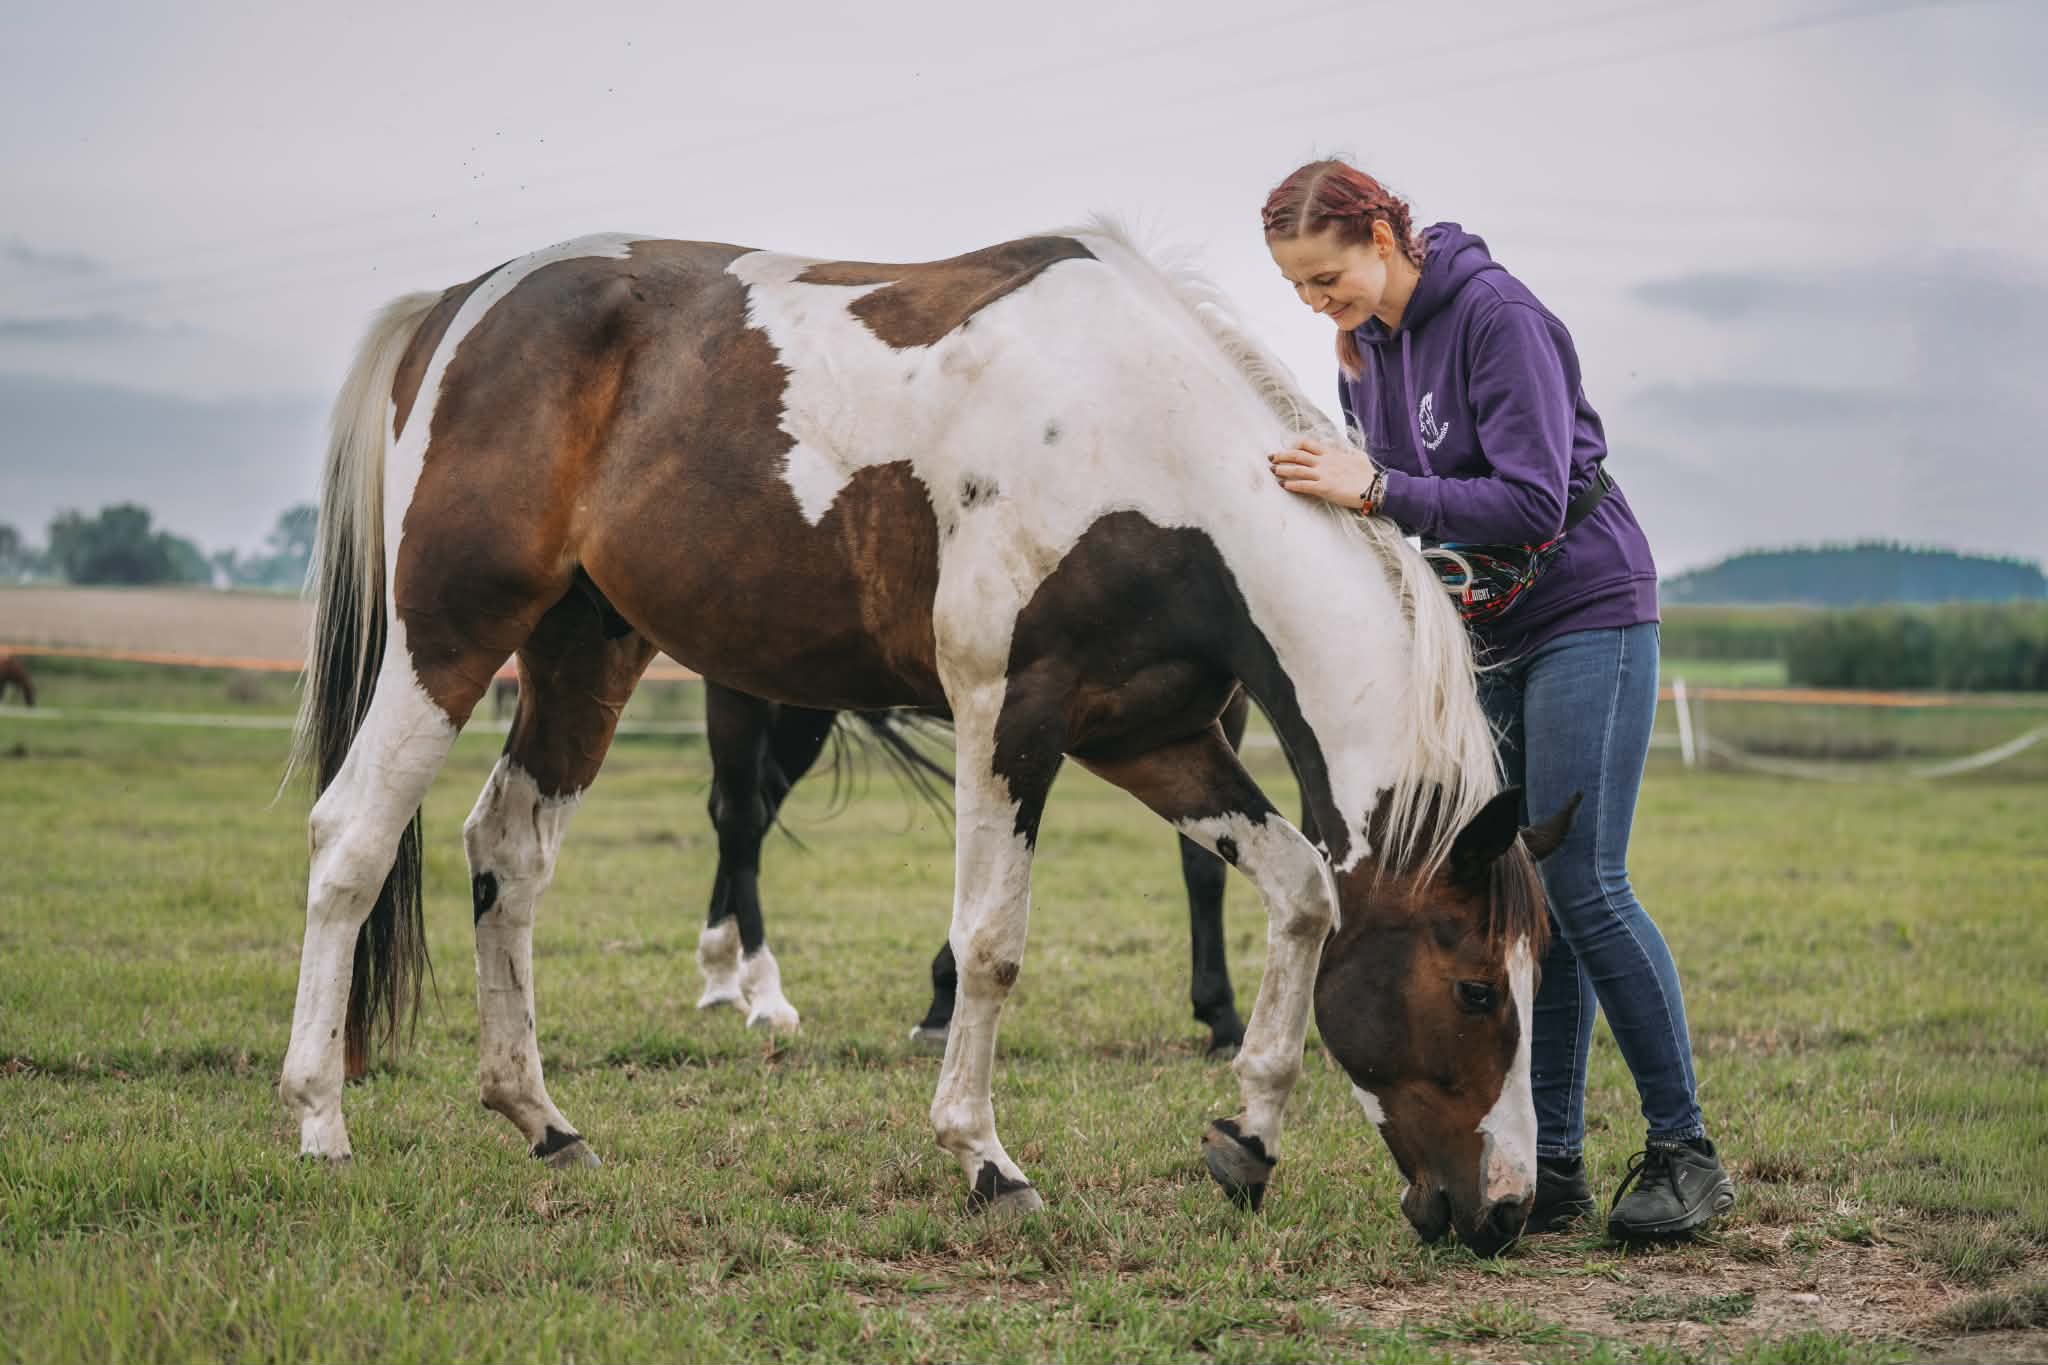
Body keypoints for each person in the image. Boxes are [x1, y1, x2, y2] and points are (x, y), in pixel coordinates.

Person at [1260, 158, 1734, 1242]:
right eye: (1295, 287)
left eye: (1324, 277)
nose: (1314, 303)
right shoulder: (1365, 352)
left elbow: (1526, 500)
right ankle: (1553, 1164)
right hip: (1484, 638)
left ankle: (1683, 1152)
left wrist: (1372, 489)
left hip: (1585, 610)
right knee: (1517, 913)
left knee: (1582, 882)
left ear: (1380, 235)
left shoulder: (1494, 315)